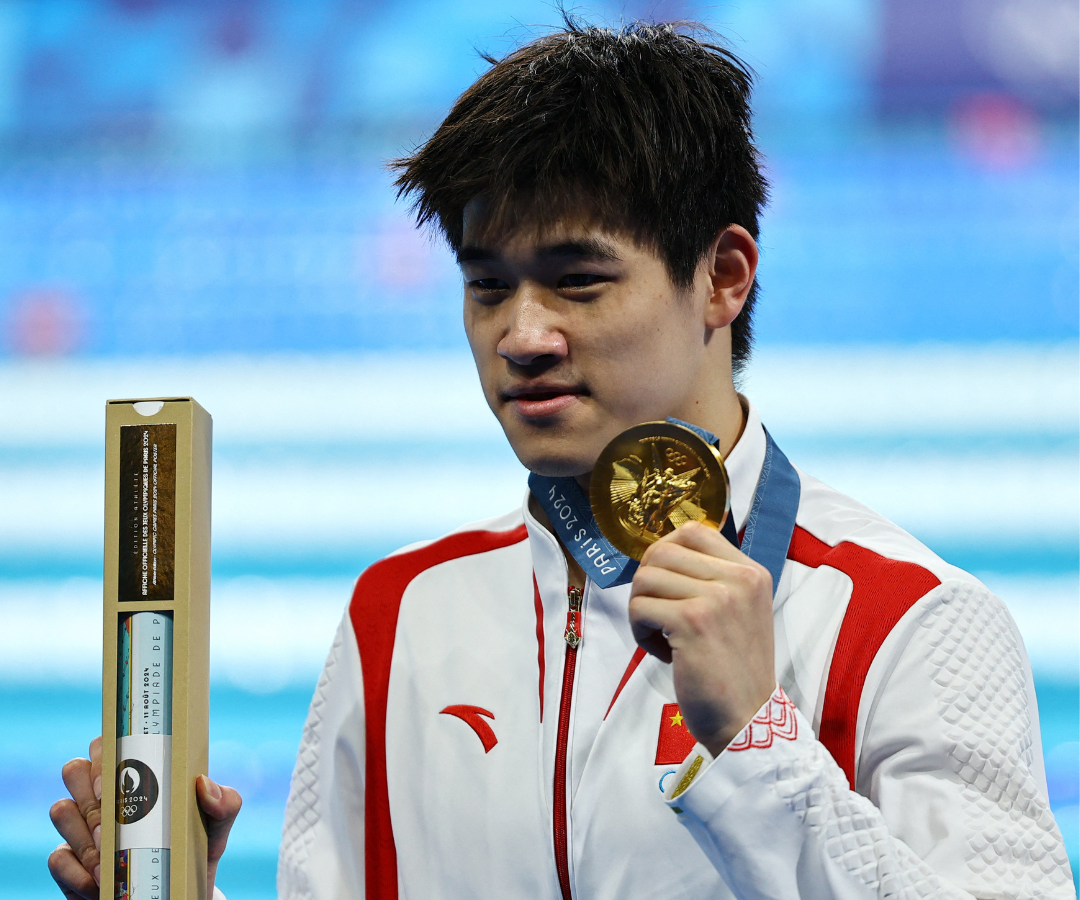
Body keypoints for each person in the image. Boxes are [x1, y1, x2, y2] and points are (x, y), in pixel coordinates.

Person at [49, 20, 1075, 900]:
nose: (522, 335)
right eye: (488, 286)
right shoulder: (400, 615)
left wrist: (762, 744)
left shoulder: (911, 617)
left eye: (578, 281)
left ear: (722, 278)